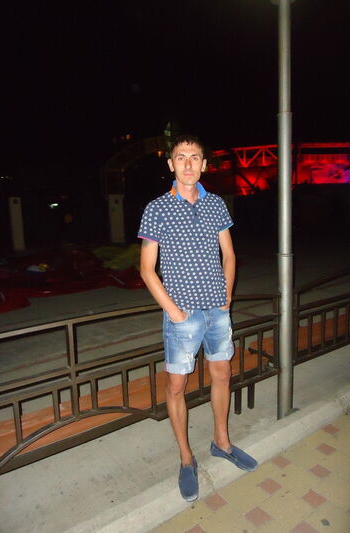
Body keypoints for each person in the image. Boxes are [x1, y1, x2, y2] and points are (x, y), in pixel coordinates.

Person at [138, 134, 257, 502]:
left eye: (194, 157)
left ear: (204, 165)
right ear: (170, 164)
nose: (188, 163)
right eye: (181, 157)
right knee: (177, 387)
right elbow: (146, 269)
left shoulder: (216, 204)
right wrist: (174, 312)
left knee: (222, 374)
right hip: (183, 316)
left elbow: (229, 255)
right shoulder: (157, 208)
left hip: (217, 311)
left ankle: (222, 443)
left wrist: (227, 297)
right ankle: (186, 458)